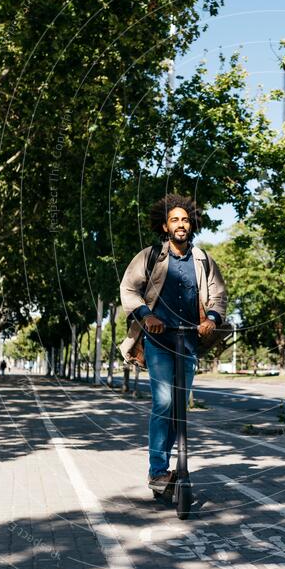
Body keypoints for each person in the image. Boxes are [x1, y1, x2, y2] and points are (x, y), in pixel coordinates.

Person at [119, 193, 227, 493]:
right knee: (164, 403)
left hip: (189, 342)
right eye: (174, 220)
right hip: (158, 341)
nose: (180, 224)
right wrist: (145, 315)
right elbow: (129, 289)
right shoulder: (150, 256)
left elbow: (219, 296)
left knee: (180, 406)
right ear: (165, 227)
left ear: (191, 224)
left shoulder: (203, 260)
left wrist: (212, 320)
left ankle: (175, 467)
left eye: (185, 219)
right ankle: (157, 471)